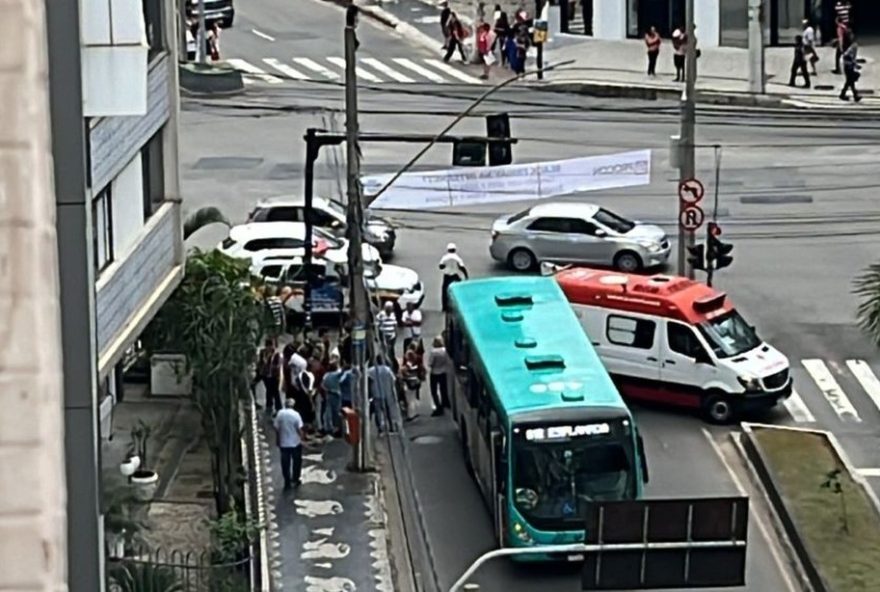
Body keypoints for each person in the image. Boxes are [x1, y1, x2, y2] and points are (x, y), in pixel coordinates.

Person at [273, 399, 305, 489]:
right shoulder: (296, 415)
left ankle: (287, 481)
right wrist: (302, 438)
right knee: (297, 462)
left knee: (285, 463)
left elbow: (276, 428)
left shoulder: (280, 414)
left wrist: (278, 439)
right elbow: (299, 429)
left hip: (284, 443)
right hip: (295, 443)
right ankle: (296, 478)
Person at [368, 355, 398, 435]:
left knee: (378, 412)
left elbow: (368, 379)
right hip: (387, 393)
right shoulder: (387, 370)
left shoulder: (372, 370)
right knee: (388, 411)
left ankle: (380, 428)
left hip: (376, 393)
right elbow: (393, 380)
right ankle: (391, 426)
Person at [439, 243, 469, 313]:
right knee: (458, 290)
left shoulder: (445, 258)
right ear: (455, 250)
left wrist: (446, 268)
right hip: (455, 275)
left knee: (444, 290)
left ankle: (444, 307)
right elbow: (462, 267)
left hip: (447, 276)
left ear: (448, 250)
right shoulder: (457, 258)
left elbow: (440, 266)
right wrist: (466, 275)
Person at [256, 339, 283, 414]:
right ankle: (269, 405)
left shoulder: (277, 354)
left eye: (271, 346)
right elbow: (260, 362)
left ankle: (278, 407)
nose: (269, 348)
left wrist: (269, 363)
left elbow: (278, 365)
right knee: (268, 390)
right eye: (268, 346)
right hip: (265, 374)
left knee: (275, 391)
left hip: (274, 376)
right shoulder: (263, 352)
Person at [427, 336, 452, 416]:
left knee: (434, 391)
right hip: (443, 371)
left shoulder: (433, 352)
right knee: (443, 389)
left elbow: (430, 363)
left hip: (435, 372)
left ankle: (438, 406)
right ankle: (445, 403)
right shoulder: (445, 351)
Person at [400, 349, 424, 420]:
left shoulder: (408, 364)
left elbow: (403, 372)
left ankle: (410, 415)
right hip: (415, 381)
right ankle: (415, 412)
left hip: (409, 382)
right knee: (413, 397)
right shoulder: (416, 363)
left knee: (409, 400)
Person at [321, 361, 343, 437]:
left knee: (328, 412)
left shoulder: (326, 375)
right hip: (337, 395)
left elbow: (322, 385)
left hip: (329, 395)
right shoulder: (337, 375)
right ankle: (337, 428)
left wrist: (328, 390)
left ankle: (329, 428)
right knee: (337, 412)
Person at [840, 34, 861, 102]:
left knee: (850, 82)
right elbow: (847, 56)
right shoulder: (852, 48)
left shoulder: (852, 47)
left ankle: (853, 95)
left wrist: (855, 64)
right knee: (850, 81)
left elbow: (851, 57)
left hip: (849, 66)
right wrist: (854, 63)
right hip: (848, 66)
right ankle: (853, 96)